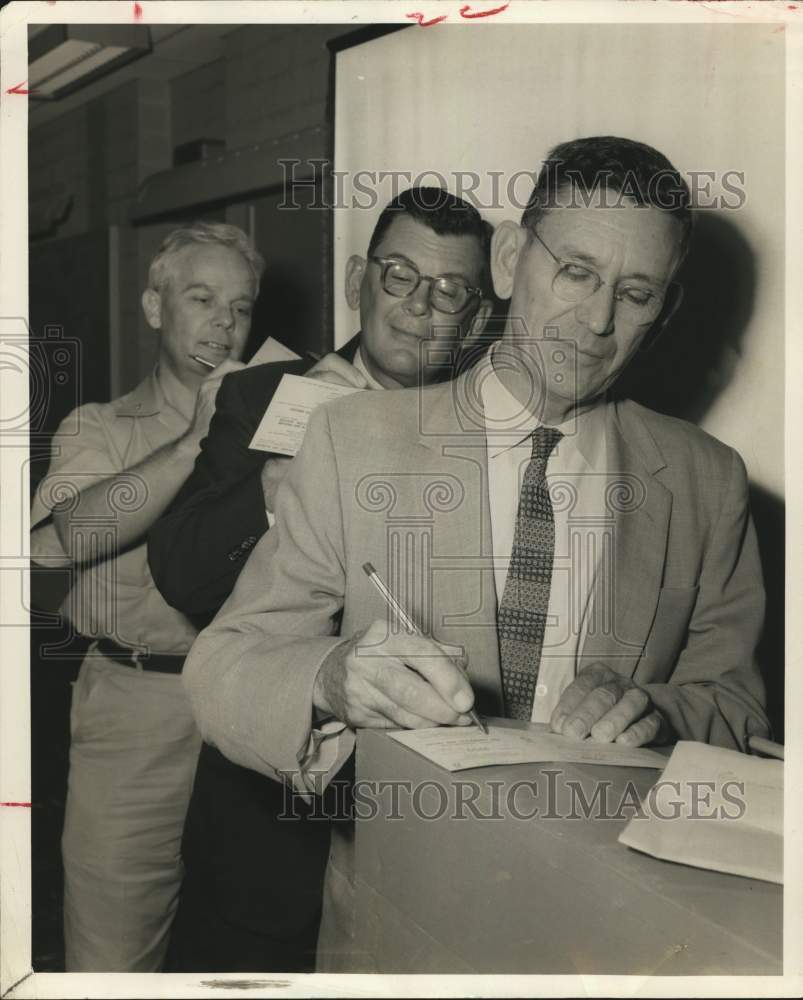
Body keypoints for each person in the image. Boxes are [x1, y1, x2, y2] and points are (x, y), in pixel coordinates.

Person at [182, 137, 771, 972]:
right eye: (575, 271)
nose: (597, 320)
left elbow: (738, 708)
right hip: (398, 924)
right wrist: (329, 676)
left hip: (607, 937)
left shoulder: (706, 480)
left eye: (634, 293)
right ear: (506, 259)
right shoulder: (355, 439)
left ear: (664, 309)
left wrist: (659, 712)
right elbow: (222, 666)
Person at [147, 188, 494, 971]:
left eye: (450, 290)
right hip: (267, 823)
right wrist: (276, 484)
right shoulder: (260, 394)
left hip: (425, 836)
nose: (419, 306)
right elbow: (181, 572)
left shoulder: (493, 429)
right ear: (354, 281)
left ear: (475, 318)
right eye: (399, 276)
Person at [29, 222, 264, 971]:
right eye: (202, 299)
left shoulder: (273, 424)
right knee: (113, 949)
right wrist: (196, 440)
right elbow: (72, 534)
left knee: (241, 952)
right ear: (155, 308)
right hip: (135, 707)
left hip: (249, 706)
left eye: (241, 307)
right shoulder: (101, 427)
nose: (224, 324)